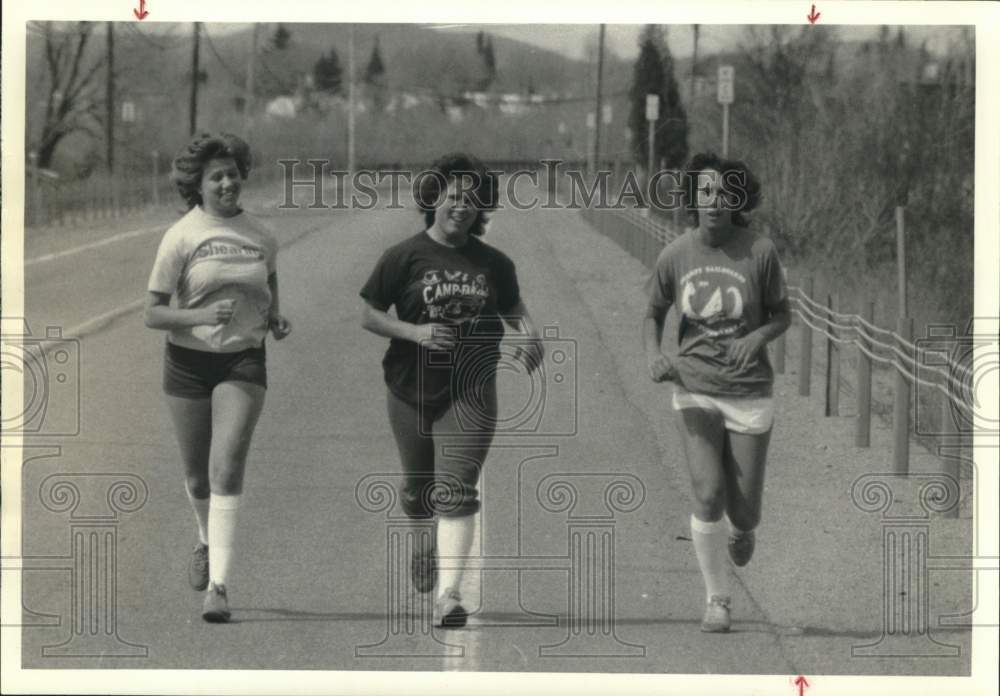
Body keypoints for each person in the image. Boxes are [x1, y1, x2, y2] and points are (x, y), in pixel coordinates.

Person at [360, 152, 543, 628]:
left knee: (457, 489)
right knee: (419, 491)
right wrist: (414, 333)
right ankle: (423, 542)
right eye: (452, 196)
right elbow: (368, 313)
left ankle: (450, 594)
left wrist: (528, 332)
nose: (461, 206)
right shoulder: (403, 256)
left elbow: (514, 306)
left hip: (471, 386)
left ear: (481, 209)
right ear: (433, 199)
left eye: (472, 199)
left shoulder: (495, 263)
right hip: (410, 386)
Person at [144, 132, 292, 623]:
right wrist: (197, 318)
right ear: (198, 185)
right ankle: (205, 540)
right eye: (216, 177)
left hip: (243, 360)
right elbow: (153, 314)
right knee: (195, 475)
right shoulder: (182, 236)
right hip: (187, 363)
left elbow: (267, 278)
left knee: (226, 466)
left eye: (232, 173)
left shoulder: (261, 234)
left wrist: (274, 317)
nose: (227, 183)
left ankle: (219, 586)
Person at [643, 152, 790, 633]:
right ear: (692, 199)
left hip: (748, 390)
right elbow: (653, 312)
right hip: (695, 386)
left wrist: (757, 337)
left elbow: (781, 314)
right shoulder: (675, 254)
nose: (714, 201)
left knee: (744, 508)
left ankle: (743, 530)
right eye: (704, 192)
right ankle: (718, 599)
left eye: (724, 193)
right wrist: (654, 355)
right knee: (707, 492)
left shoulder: (759, 252)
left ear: (738, 200)